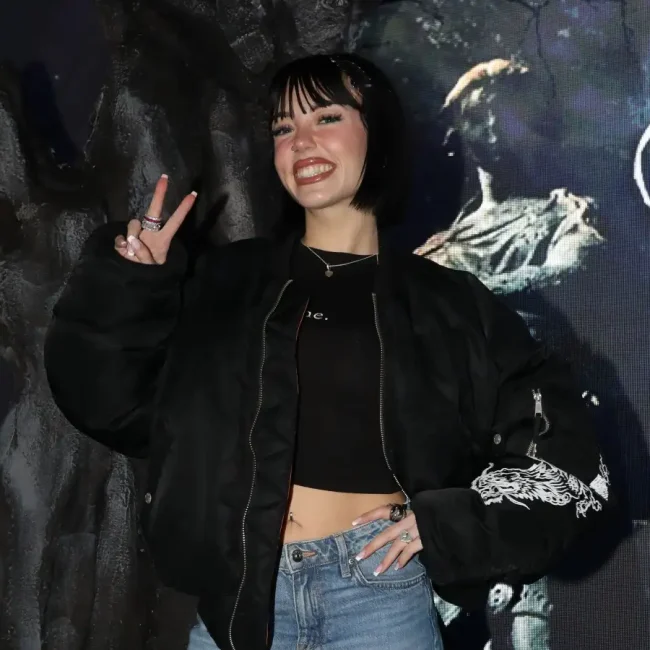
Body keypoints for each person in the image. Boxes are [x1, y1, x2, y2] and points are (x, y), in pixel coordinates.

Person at [44, 53, 613, 650]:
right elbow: (114, 407)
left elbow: (566, 452)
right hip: (242, 609)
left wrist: (447, 524)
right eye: (283, 127)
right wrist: (131, 284)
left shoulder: (447, 301)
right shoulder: (227, 281)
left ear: (378, 133)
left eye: (326, 117)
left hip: (378, 602)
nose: (300, 141)